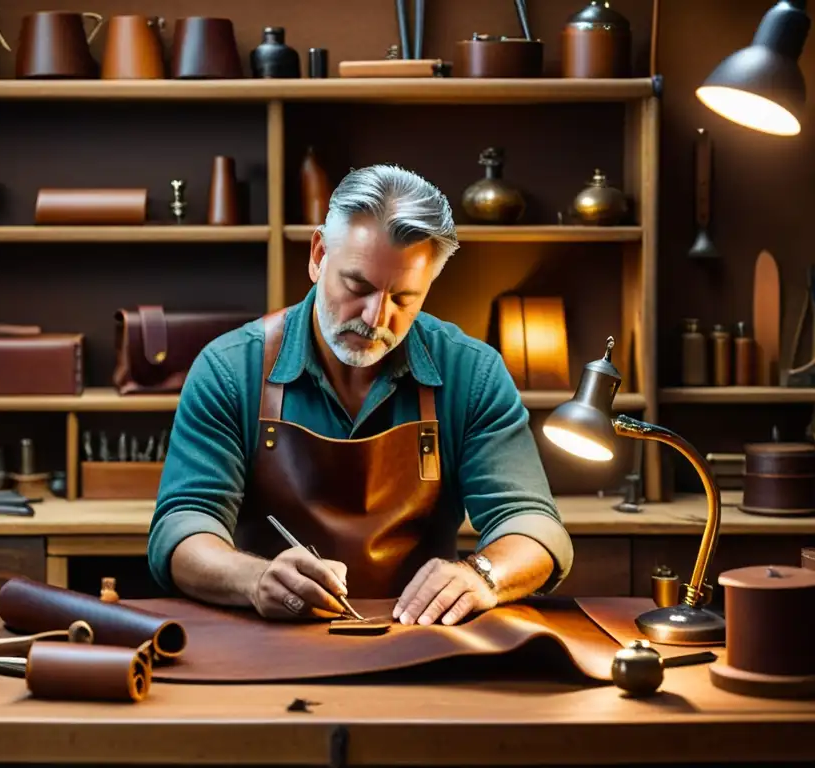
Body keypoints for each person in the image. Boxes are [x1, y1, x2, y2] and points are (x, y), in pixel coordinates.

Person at [147, 164, 573, 626]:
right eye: (358, 286)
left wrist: (482, 575)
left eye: (404, 298)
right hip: (267, 636)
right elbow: (182, 528)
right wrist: (253, 579)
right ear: (317, 255)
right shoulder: (231, 368)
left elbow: (534, 526)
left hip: (420, 640)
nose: (375, 317)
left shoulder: (472, 372)